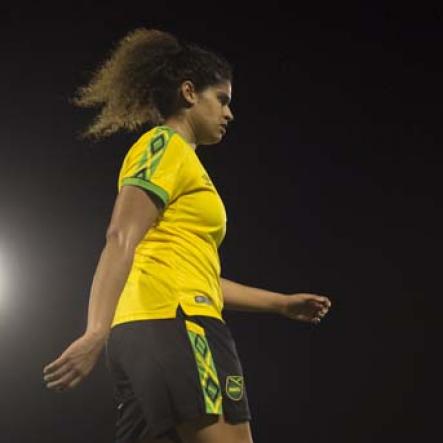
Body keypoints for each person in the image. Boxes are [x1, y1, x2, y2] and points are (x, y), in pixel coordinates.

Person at [42, 28, 332, 443]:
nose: (229, 113)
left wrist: (281, 304)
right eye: (223, 99)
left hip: (161, 323)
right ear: (189, 93)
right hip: (176, 323)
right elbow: (120, 236)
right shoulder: (165, 146)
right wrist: (95, 330)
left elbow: (198, 275)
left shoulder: (183, 163)